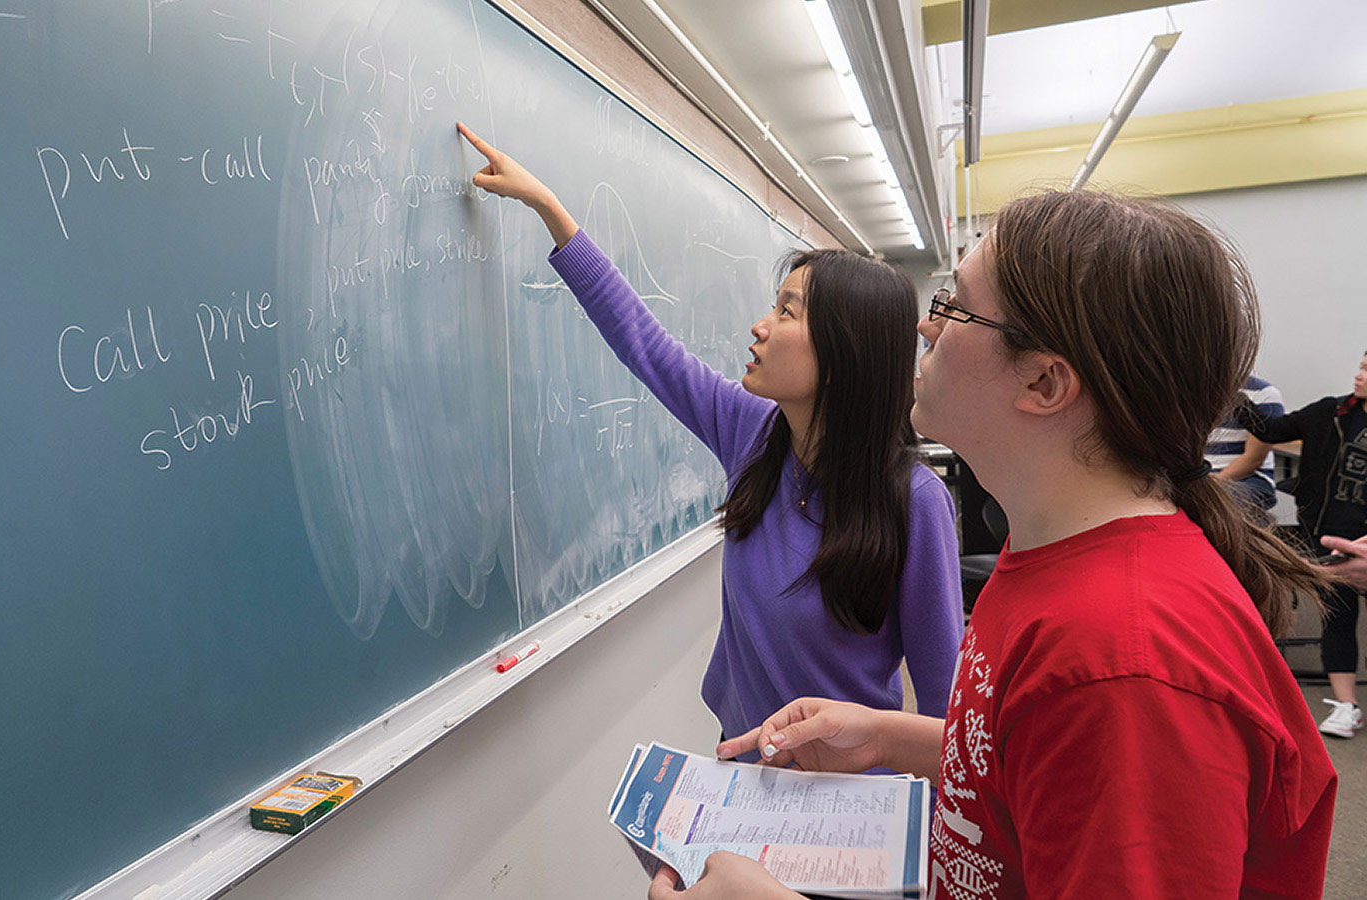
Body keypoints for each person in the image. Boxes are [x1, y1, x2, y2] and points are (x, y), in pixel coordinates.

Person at [653, 190, 1338, 900]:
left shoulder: (1123, 667)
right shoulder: (1048, 557)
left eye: (954, 306)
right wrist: (892, 737)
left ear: (1044, 382)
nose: (924, 325)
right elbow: (1020, 761)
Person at [456, 124, 964, 747]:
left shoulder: (913, 502)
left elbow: (947, 708)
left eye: (786, 312)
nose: (760, 326)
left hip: (849, 801)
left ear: (843, 353)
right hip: (743, 769)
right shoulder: (755, 434)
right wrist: (550, 210)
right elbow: (647, 347)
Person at [1238, 351, 1367, 738]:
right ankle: (1347, 706)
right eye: (1361, 365)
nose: (1359, 375)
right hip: (1326, 535)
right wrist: (1231, 393)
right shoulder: (1328, 412)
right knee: (1338, 618)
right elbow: (1270, 428)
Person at [1207, 374, 1283, 524]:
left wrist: (1209, 485)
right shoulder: (1188, 393)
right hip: (1201, 477)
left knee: (1215, 506)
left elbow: (1253, 459)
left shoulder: (1264, 393)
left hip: (1248, 479)